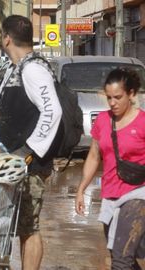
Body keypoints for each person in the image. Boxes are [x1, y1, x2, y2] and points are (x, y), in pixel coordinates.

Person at [0, 15, 62, 270]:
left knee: (29, 227)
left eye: (1, 36)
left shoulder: (33, 69)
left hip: (27, 165)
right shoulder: (15, 67)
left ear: (7, 38)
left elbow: (53, 110)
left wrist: (28, 152)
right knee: (16, 226)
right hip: (10, 165)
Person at [75, 68, 145, 269]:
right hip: (110, 194)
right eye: (109, 98)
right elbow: (94, 156)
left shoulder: (142, 122)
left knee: (121, 262)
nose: (112, 103)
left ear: (131, 94)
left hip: (137, 195)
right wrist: (81, 189)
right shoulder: (104, 121)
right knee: (121, 256)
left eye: (118, 97)